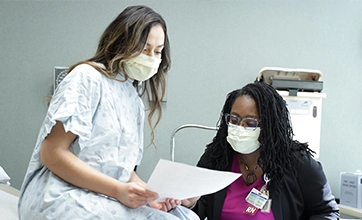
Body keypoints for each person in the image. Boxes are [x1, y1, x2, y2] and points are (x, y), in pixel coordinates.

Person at [18, 5, 198, 220]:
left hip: (104, 194)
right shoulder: (86, 77)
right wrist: (117, 190)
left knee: (186, 217)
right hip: (60, 194)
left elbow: (120, 169)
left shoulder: (133, 101)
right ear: (123, 42)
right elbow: (52, 152)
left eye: (157, 52)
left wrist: (153, 195)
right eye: (144, 49)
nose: (151, 58)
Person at [190, 82, 340, 219]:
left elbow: (328, 213)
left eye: (250, 123)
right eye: (234, 120)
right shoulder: (216, 158)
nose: (240, 128)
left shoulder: (297, 162)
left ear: (269, 126)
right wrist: (187, 204)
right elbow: (198, 208)